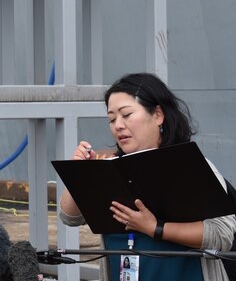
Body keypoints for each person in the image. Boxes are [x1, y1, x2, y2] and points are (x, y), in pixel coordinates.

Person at [59, 72, 236, 281]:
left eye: (126, 115)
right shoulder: (109, 168)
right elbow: (69, 217)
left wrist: (155, 228)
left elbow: (221, 234)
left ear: (158, 115)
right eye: (112, 119)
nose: (118, 125)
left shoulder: (190, 164)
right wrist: (81, 174)